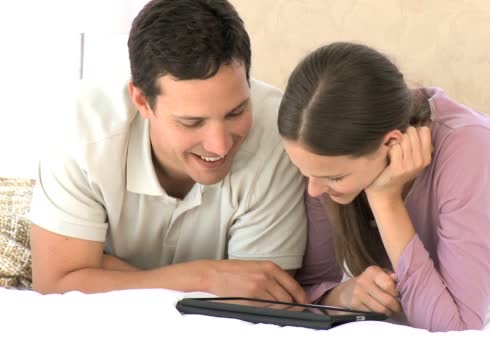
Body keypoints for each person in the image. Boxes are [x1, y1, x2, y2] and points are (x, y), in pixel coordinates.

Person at [283, 42, 490, 331]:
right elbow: (310, 285)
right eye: (304, 172)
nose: (313, 191)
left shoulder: (470, 147)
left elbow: (456, 328)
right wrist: (343, 294)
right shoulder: (319, 155)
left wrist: (385, 200)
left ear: (391, 143)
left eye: (335, 178)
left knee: (489, 165)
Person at [28, 0, 308, 304]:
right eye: (192, 122)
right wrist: (204, 277)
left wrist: (101, 271)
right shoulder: (82, 130)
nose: (220, 145)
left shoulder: (278, 130)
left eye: (236, 112)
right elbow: (56, 281)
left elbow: (257, 296)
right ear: (142, 101)